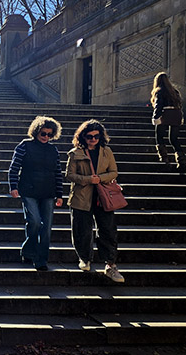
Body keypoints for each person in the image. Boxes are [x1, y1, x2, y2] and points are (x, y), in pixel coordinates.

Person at [66, 119, 124, 283]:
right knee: (82, 230)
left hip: (103, 196)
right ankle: (84, 258)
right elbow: (69, 175)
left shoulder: (106, 152)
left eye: (96, 136)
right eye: (89, 136)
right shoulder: (75, 153)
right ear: (83, 137)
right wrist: (88, 179)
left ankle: (110, 264)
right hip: (81, 197)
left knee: (108, 230)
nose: (93, 139)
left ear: (101, 137)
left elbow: (114, 172)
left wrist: (100, 178)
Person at [8, 116, 63, 271]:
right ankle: (29, 250)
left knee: (46, 228)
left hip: (48, 191)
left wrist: (60, 194)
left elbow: (58, 173)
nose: (46, 137)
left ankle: (41, 260)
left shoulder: (53, 150)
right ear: (36, 131)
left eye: (49, 134)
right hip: (29, 189)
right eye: (43, 133)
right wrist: (13, 186)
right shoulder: (25, 145)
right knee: (35, 222)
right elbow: (14, 167)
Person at [151, 72, 186, 174]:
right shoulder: (174, 91)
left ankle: (164, 160)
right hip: (176, 114)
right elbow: (179, 104)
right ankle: (182, 161)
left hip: (165, 113)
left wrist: (155, 117)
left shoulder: (159, 91)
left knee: (159, 137)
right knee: (174, 139)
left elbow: (158, 105)